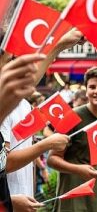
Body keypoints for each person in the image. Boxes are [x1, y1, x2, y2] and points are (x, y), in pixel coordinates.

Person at [47, 65, 97, 212]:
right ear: (86, 90)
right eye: (92, 87)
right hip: (73, 204)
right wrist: (78, 169)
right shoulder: (70, 117)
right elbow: (52, 159)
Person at [0, 53, 69, 212]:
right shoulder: (5, 106)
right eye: (12, 61)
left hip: (24, 198)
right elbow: (6, 162)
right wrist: (47, 144)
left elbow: (24, 150)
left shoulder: (23, 104)